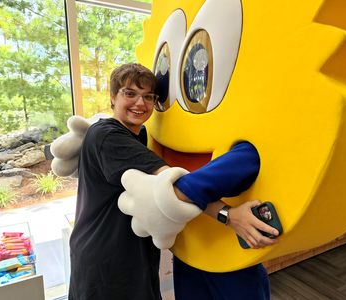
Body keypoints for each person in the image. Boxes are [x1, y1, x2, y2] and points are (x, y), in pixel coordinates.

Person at [53, 63, 278, 300]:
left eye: (148, 97)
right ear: (112, 97)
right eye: (130, 94)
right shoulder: (108, 136)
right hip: (108, 257)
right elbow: (170, 183)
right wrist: (228, 215)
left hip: (128, 251)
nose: (140, 103)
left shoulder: (135, 134)